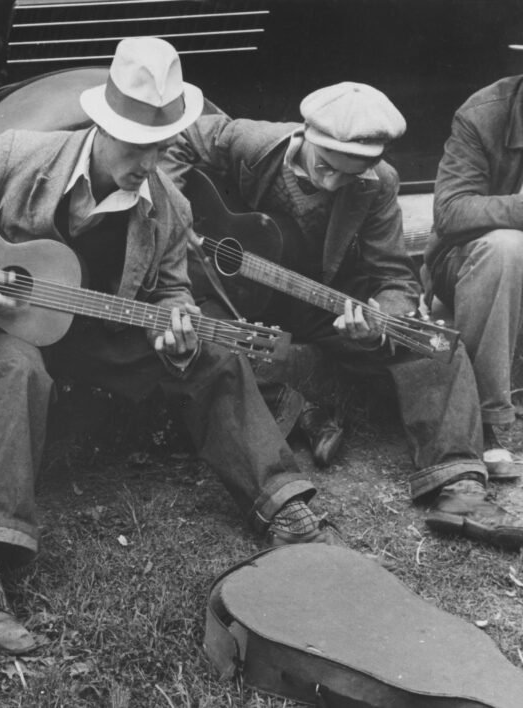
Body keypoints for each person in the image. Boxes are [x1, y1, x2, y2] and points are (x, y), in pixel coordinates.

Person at [0, 37, 337, 656]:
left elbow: (173, 292)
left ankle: (280, 502)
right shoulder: (27, 155)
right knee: (18, 372)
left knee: (213, 351)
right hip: (13, 327)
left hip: (103, 335)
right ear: (102, 124)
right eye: (136, 144)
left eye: (160, 146)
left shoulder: (170, 209)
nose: (149, 160)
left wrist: (177, 323)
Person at [160, 81, 523, 551]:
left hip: (316, 299)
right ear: (305, 137)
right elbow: (172, 139)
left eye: (347, 177)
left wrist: (380, 317)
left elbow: (394, 276)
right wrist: (176, 212)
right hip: (223, 290)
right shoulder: (249, 141)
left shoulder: (380, 183)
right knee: (206, 353)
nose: (332, 183)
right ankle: (281, 497)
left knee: (431, 343)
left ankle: (458, 485)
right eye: (324, 167)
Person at [427, 75, 523, 480]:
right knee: (506, 247)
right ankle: (485, 422)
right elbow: (450, 213)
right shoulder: (483, 113)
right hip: (470, 261)